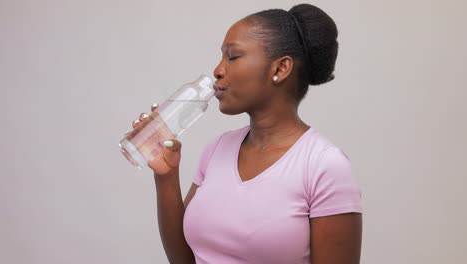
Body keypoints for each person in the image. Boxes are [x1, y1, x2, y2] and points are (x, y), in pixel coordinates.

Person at [131, 3, 362, 264]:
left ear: (280, 69)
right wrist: (167, 177)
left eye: (233, 56)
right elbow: (185, 260)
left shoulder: (324, 165)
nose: (217, 70)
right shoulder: (217, 149)